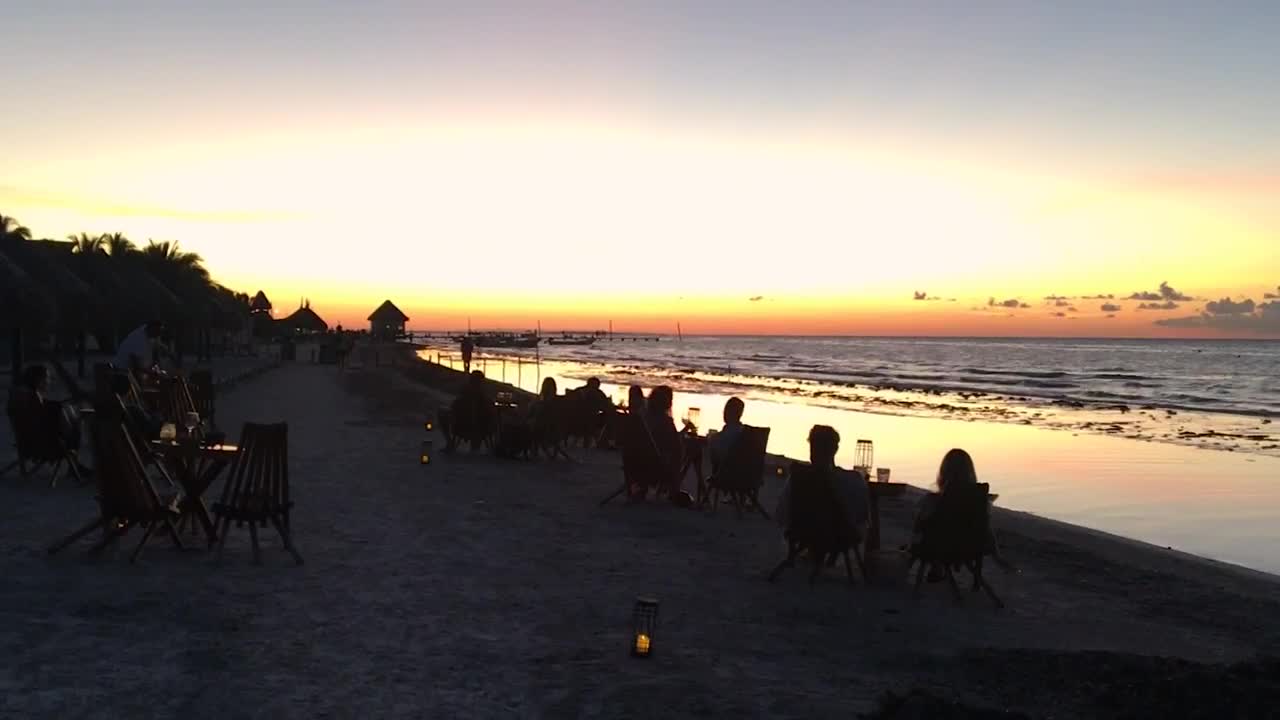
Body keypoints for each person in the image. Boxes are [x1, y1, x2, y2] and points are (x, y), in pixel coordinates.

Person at [912, 448, 1012, 571]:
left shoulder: (935, 499)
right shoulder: (979, 497)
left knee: (922, 529)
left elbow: (920, 526)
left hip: (942, 548)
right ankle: (937, 566)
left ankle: (933, 565)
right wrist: (997, 556)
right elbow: (985, 527)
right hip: (972, 548)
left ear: (944, 471)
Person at [774, 425, 869, 539]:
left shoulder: (798, 475)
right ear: (835, 449)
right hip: (838, 534)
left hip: (802, 532)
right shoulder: (851, 479)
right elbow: (861, 516)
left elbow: (781, 515)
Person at [15, 365, 92, 475]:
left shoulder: (29, 398)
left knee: (71, 415)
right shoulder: (35, 401)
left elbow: (48, 407)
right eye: (47, 378)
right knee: (75, 424)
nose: (49, 381)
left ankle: (74, 467)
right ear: (39, 380)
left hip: (31, 443)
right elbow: (59, 425)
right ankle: (74, 468)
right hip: (47, 446)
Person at [708, 397, 745, 468]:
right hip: (745, 476)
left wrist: (711, 439)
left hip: (724, 475)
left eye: (727, 410)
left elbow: (715, 462)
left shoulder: (718, 439)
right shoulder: (748, 434)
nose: (724, 413)